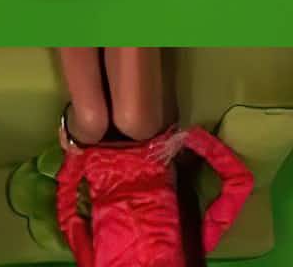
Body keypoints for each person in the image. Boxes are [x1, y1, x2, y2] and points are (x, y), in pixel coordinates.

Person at [56, 48, 254, 267]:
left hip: (94, 150)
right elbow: (240, 181)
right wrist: (190, 139)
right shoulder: (193, 251)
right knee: (131, 121)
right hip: (148, 145)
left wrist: (74, 156)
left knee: (92, 120)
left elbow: (67, 216)